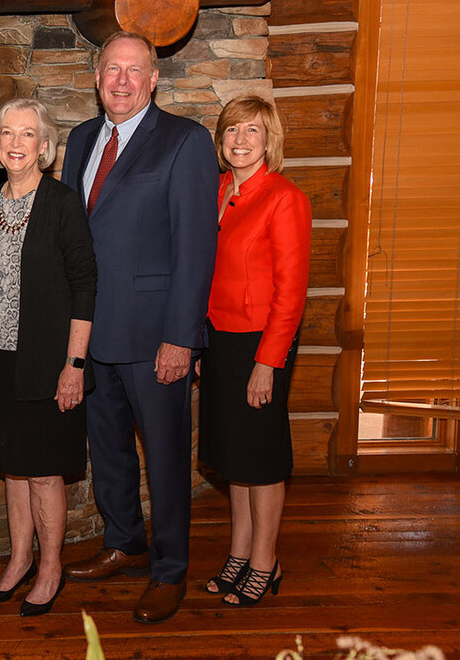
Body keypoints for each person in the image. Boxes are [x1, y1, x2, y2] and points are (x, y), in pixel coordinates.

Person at [59, 31, 219, 624]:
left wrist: (182, 336)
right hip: (91, 334)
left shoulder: (185, 141)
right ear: (96, 77)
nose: (121, 80)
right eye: (111, 69)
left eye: (134, 71)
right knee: (109, 453)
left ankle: (170, 569)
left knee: (167, 458)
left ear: (153, 80)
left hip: (156, 338)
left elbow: (197, 249)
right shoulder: (79, 141)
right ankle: (124, 542)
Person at [0, 98, 96, 617]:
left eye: (27, 135)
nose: (15, 143)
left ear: (45, 147)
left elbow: (86, 286)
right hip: (1, 361)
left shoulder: (64, 203)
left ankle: (50, 569)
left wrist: (75, 364)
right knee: (13, 469)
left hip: (51, 363)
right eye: (6, 134)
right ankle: (19, 560)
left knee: (43, 473)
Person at [199, 95, 310, 606]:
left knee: (261, 462)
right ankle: (239, 554)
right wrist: (200, 340)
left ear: (270, 141)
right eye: (232, 131)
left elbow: (291, 292)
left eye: (252, 132)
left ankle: (266, 562)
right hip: (219, 340)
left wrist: (268, 362)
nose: (241, 141)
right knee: (233, 458)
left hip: (261, 344)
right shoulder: (218, 189)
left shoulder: (284, 198)